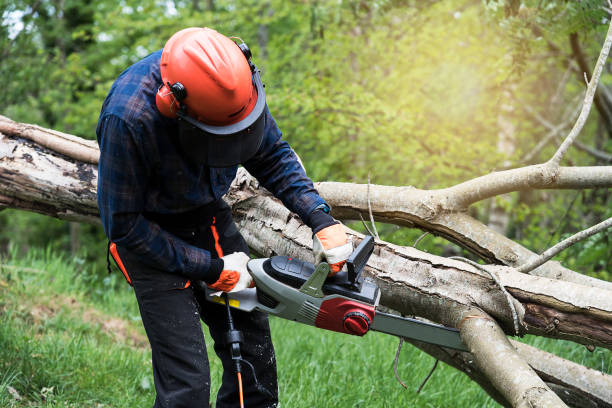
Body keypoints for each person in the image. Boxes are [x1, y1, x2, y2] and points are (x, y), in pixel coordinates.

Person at [96, 27, 352, 408]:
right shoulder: (129, 118)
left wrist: (320, 219)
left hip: (207, 214)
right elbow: (125, 226)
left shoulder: (236, 89)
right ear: (175, 107)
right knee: (187, 385)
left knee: (253, 363)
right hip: (147, 234)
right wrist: (211, 268)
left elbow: (272, 154)